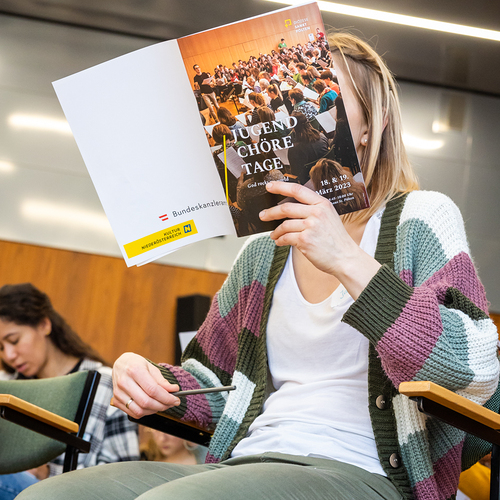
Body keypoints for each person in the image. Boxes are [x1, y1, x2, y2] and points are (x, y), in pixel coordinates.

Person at [18, 32, 499, 500]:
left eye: (323, 95)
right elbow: (215, 384)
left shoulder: (420, 218)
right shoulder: (262, 253)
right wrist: (151, 380)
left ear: (372, 125)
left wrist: (346, 259)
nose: (297, 111)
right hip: (250, 459)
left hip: (365, 471)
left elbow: (473, 370)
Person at [0, 283, 140, 500]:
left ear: (44, 325)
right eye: (0, 348)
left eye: (14, 340)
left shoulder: (107, 385)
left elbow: (127, 483)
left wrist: (48, 473)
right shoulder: (6, 386)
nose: (9, 355)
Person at [287, 111, 329, 184]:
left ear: (293, 127)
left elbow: (295, 173)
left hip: (310, 182)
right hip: (328, 173)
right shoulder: (322, 136)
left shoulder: (294, 149)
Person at [140, 429, 206, 465]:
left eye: (169, 431)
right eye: (156, 430)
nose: (162, 439)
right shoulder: (144, 457)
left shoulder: (203, 465)